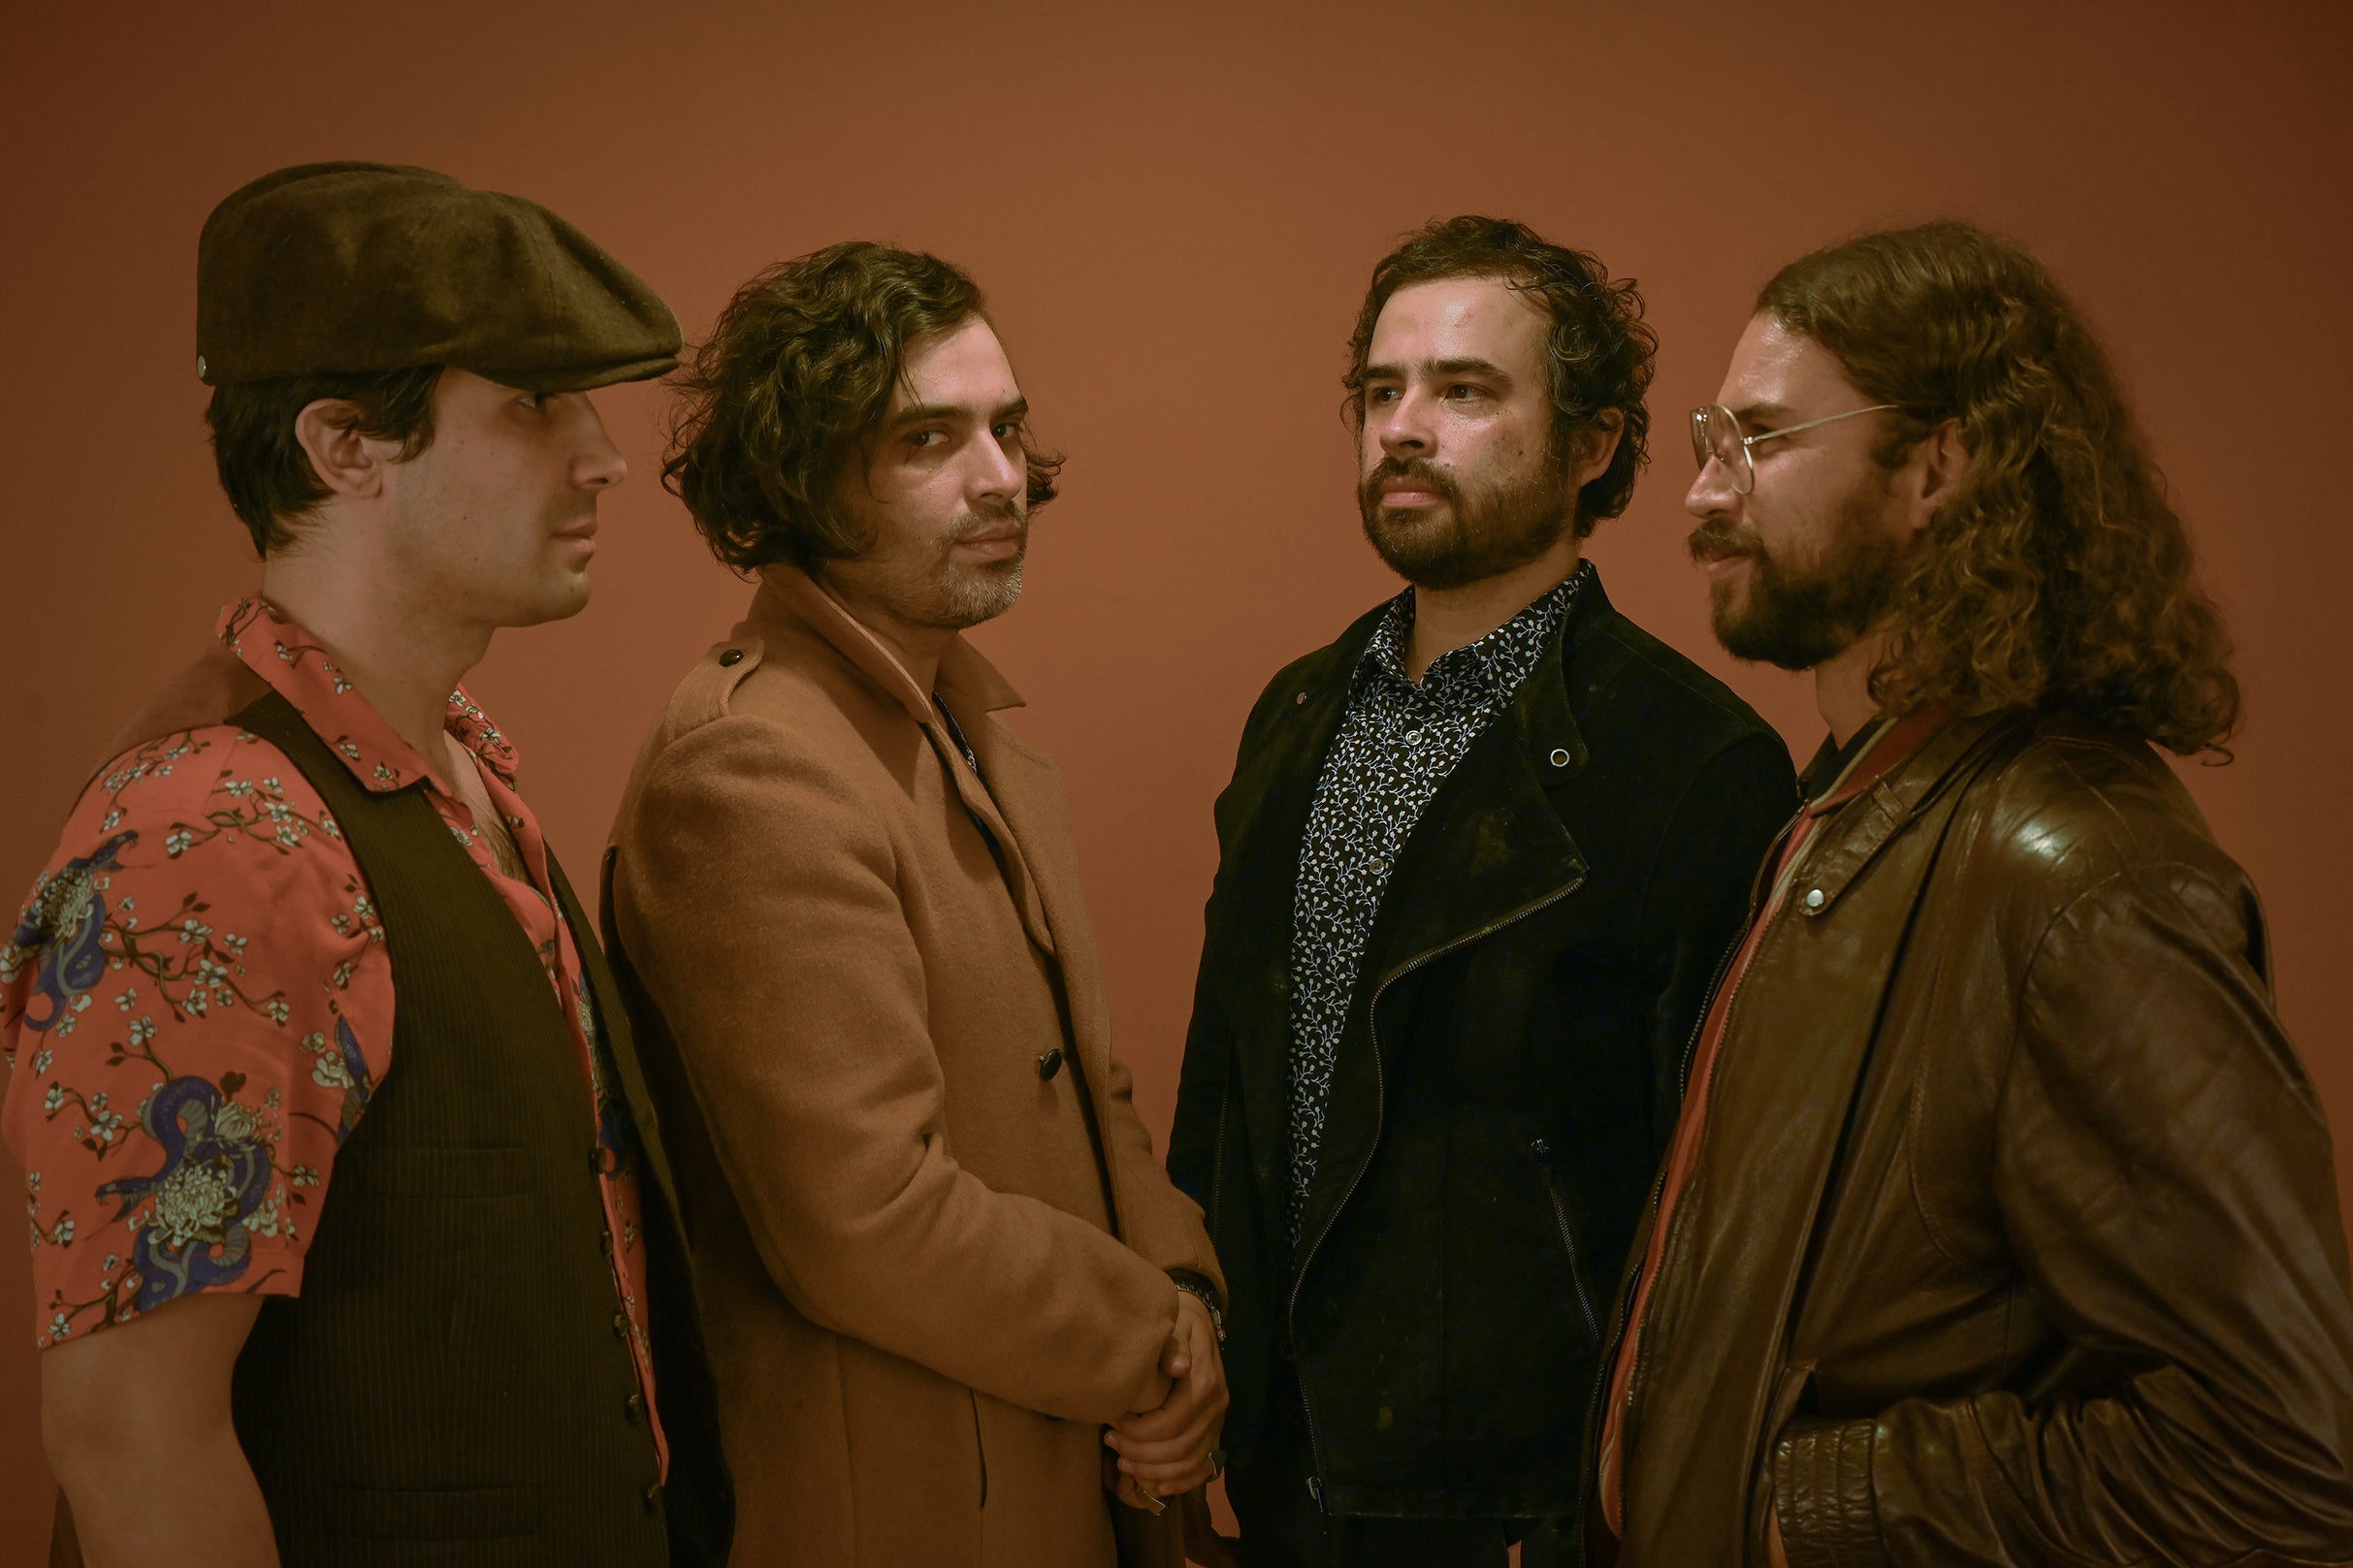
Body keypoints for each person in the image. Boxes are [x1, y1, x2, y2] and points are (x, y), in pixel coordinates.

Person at [1591, 219, 2353, 1566]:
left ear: (1935, 467)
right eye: (1710, 443)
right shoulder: (1844, 809)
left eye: (1762, 440)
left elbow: (2282, 1457)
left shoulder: (2083, 872)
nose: (1703, 496)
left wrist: (1803, 1508)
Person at [0, 162, 728, 1566]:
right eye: (535, 402)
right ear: (345, 446)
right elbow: (133, 1439)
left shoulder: (454, 773)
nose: (603, 456)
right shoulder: (215, 838)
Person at [1163, 215, 1796, 1568]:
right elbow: (1224, 1074)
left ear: (1593, 444)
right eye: (1380, 390)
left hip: (1517, 1496)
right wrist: (1188, 1320)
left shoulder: (1690, 761)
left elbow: (1712, 1206)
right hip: (1277, 1467)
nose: (1402, 428)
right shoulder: (1297, 711)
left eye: (1463, 390)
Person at [603, 240, 1226, 1568]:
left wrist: (1187, 1296)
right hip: (906, 1507)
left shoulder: (967, 729)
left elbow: (1093, 1089)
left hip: (1058, 1466)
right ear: (797, 472)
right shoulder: (751, 766)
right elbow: (866, 1216)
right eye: (927, 438)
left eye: (1007, 427)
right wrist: (1145, 1340)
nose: (1000, 477)